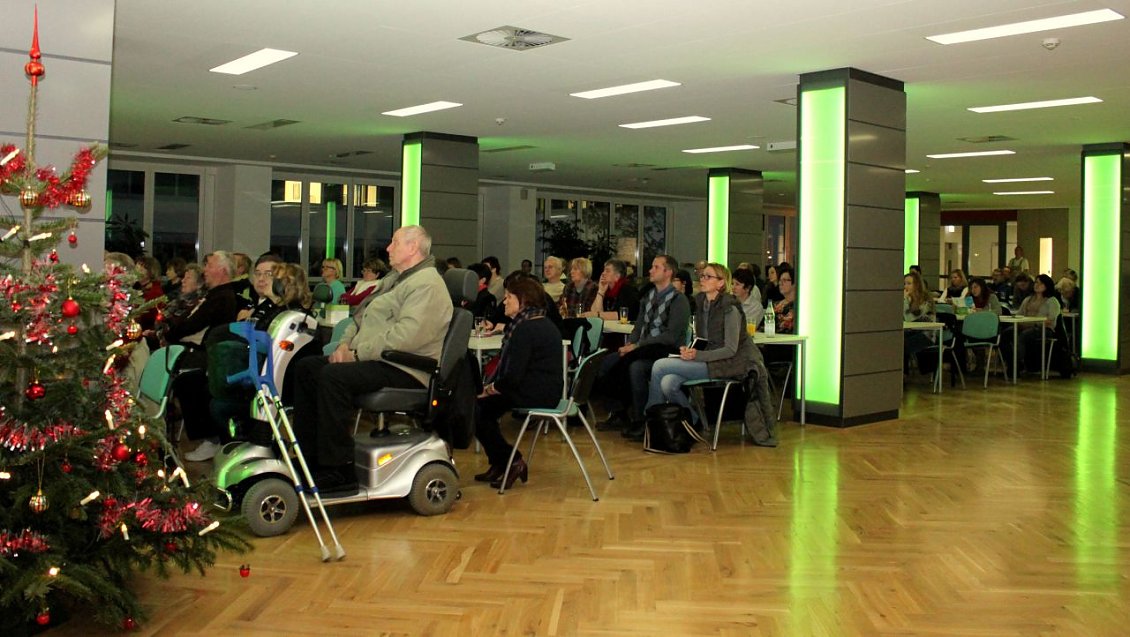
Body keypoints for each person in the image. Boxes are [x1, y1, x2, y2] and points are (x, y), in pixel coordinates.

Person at [291, 225, 452, 495]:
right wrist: (344, 344)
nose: (388, 248)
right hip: (377, 358)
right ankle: (311, 459)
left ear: (413, 248)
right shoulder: (394, 279)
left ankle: (340, 470)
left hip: (406, 366)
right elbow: (359, 317)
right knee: (307, 368)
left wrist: (355, 354)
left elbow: (406, 337)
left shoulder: (427, 284)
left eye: (394, 242)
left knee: (333, 377)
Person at [472, 277, 563, 490]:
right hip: (542, 388)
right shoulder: (536, 322)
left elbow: (512, 377)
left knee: (478, 410)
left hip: (536, 392)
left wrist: (489, 389)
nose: (504, 302)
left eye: (509, 297)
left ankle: (512, 461)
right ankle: (500, 463)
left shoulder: (525, 329)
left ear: (523, 300)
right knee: (484, 411)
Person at [645, 263, 758, 428]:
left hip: (728, 363)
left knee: (660, 366)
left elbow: (730, 349)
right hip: (708, 358)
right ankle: (693, 420)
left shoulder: (730, 308)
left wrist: (697, 355)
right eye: (702, 276)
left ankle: (650, 420)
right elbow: (705, 340)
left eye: (708, 276)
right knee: (668, 383)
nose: (702, 279)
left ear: (720, 283)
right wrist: (691, 349)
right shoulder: (702, 305)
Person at [596, 255, 691, 437]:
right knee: (606, 362)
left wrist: (637, 346)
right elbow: (638, 326)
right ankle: (619, 412)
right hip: (643, 349)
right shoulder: (648, 296)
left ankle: (641, 420)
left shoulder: (679, 301)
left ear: (668, 272)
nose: (650, 270)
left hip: (665, 353)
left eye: (656, 267)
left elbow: (670, 337)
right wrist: (631, 343)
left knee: (636, 367)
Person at [1008, 273, 1061, 374]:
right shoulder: (1028, 299)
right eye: (1036, 282)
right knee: (1006, 334)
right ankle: (1010, 362)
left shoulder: (1052, 301)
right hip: (1025, 326)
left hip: (1044, 329)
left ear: (1047, 286)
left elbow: (1051, 319)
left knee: (1024, 336)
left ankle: (1018, 364)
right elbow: (1020, 314)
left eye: (1040, 283)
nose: (1037, 285)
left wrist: (1033, 322)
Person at [903, 270, 936, 371]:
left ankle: (903, 373)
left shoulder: (926, 301)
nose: (906, 286)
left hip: (926, 334)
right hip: (911, 332)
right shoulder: (909, 299)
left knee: (902, 344)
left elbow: (910, 319)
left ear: (916, 285)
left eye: (909, 283)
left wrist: (905, 300)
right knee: (895, 340)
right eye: (904, 284)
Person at [133, 255, 166, 334]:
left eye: (141, 269)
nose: (137, 272)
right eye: (136, 269)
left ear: (151, 272)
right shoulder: (140, 288)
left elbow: (143, 316)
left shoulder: (155, 292)